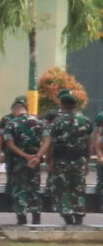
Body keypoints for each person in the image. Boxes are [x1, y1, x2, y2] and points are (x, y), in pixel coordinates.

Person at [50, 90, 95, 226]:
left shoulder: (58, 122)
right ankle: (79, 216)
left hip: (62, 160)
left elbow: (52, 143)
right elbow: (88, 143)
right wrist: (87, 162)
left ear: (63, 104)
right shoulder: (85, 120)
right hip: (79, 159)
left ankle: (68, 217)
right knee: (78, 188)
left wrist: (50, 161)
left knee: (63, 189)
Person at [2, 94, 48, 225]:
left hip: (18, 162)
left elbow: (10, 144)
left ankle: (21, 217)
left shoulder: (11, 123)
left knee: (20, 188)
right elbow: (47, 140)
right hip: (35, 162)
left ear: (14, 110)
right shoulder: (39, 122)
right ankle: (36, 217)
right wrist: (37, 156)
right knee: (34, 187)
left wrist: (25, 156)